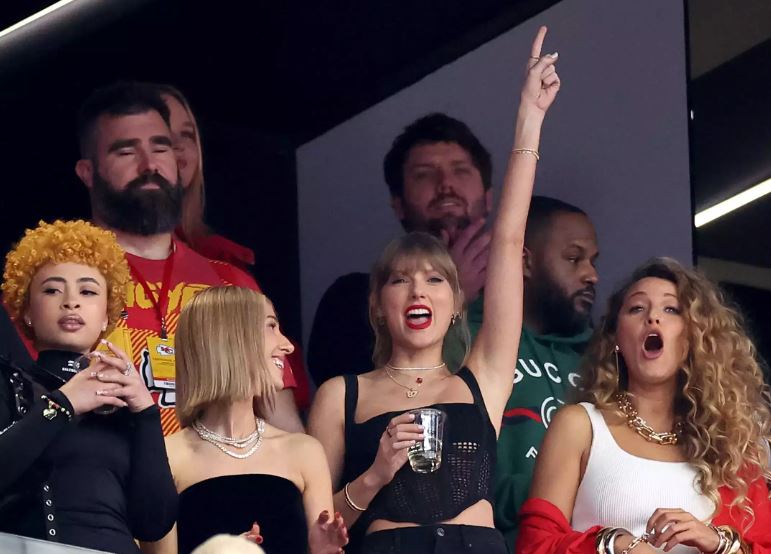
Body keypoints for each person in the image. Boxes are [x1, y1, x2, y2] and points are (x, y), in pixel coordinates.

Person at [308, 26, 561, 553]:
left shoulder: (483, 376)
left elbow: (509, 237)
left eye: (435, 279)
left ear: (456, 303)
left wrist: (529, 121)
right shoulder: (341, 395)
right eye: (400, 280)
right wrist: (375, 474)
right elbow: (317, 532)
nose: (417, 291)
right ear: (378, 306)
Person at [73, 81, 302, 435]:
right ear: (87, 172)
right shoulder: (57, 284)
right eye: (126, 152)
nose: (149, 165)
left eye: (160, 148)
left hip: (216, 486)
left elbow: (285, 429)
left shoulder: (232, 283)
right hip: (108, 484)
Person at [518, 257, 771, 554]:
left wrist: (718, 542)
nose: (653, 318)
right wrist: (615, 545)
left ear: (694, 338)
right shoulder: (581, 425)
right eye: (637, 308)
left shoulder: (732, 441)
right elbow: (535, 545)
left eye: (671, 309)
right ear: (616, 338)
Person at [0, 220, 177, 553]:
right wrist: (64, 404)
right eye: (52, 290)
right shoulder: (10, 382)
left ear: (108, 315)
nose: (71, 302)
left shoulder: (123, 406)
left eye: (88, 291)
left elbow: (153, 522)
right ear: (25, 311)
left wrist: (147, 413)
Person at [146, 286, 347, 554]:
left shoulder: (305, 451)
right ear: (230, 338)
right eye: (271, 327)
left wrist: (323, 550)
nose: (286, 345)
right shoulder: (167, 458)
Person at [151, 83, 312, 414]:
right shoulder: (88, 270)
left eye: (188, 136)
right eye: (164, 139)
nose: (179, 150)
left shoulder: (226, 268)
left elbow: (277, 412)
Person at [308, 110, 495, 385]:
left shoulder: (524, 296)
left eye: (460, 171)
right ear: (398, 204)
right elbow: (349, 395)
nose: (446, 185)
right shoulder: (355, 297)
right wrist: (452, 291)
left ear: (488, 198)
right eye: (424, 175)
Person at [494, 196, 599, 549]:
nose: (591, 274)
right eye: (574, 258)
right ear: (525, 260)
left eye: (592, 261)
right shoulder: (468, 341)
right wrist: (556, 487)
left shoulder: (603, 358)